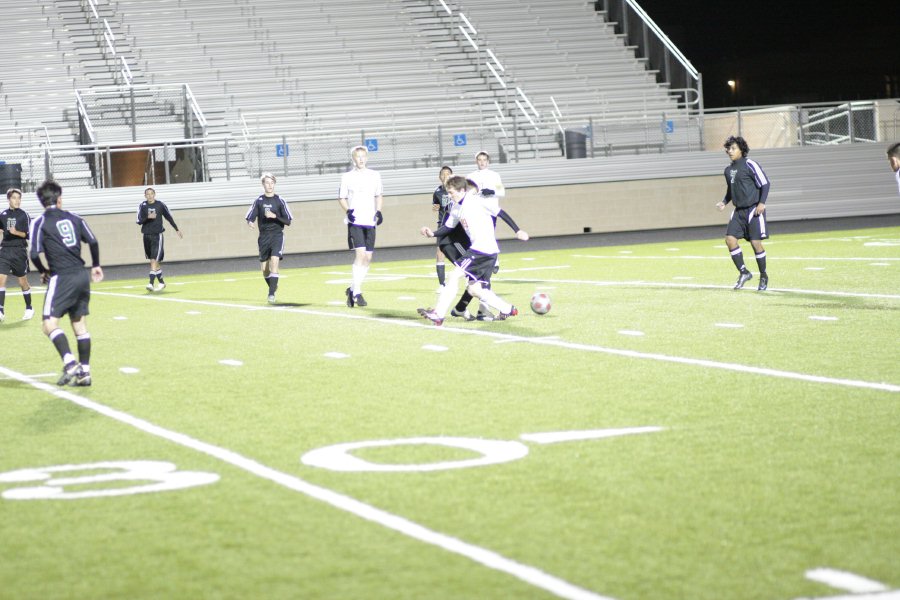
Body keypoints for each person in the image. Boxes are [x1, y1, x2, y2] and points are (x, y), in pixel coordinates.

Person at [417, 175, 528, 326]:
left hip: (481, 250)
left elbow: (500, 212)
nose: (449, 196)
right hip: (486, 252)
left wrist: (518, 230)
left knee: (454, 275)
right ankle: (507, 308)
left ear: (462, 190)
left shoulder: (477, 201)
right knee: (475, 289)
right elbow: (448, 227)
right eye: (448, 193)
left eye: (451, 192)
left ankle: (438, 314)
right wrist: (432, 234)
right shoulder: (456, 207)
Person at [30, 180, 103, 387]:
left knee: (48, 324)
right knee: (79, 325)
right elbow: (93, 241)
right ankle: (85, 373)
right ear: (59, 198)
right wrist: (96, 264)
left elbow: (34, 253)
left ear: (42, 202)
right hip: (81, 275)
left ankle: (71, 363)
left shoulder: (40, 222)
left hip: (61, 277)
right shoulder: (74, 217)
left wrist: (44, 271)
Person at [716, 136, 771, 291]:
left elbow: (765, 183)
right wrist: (724, 202)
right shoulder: (728, 170)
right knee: (730, 240)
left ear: (741, 150)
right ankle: (744, 272)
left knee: (756, 244)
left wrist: (762, 203)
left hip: (754, 210)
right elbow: (731, 190)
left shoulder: (750, 164)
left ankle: (763, 275)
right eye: (728, 148)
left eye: (733, 148)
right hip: (738, 211)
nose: (730, 151)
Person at [339, 145, 383, 308]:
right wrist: (348, 210)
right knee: (360, 255)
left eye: (363, 156)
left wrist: (378, 212)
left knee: (368, 257)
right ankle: (357, 292)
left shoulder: (375, 175)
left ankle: (351, 289)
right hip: (355, 221)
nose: (361, 159)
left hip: (370, 221)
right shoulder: (346, 177)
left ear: (367, 157)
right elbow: (342, 198)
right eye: (358, 156)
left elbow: (378, 195)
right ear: (353, 159)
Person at [246, 172, 293, 304]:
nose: (270, 185)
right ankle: (273, 285)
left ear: (274, 184)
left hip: (277, 235)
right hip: (263, 237)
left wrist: (275, 216)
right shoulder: (259, 201)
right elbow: (251, 215)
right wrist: (250, 222)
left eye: (272, 183)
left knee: (274, 261)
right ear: (263, 185)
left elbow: (288, 221)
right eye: (267, 183)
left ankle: (271, 294)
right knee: (265, 270)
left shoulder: (280, 201)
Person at [136, 187, 183, 292]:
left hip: (157, 235)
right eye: (147, 194)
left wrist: (176, 229)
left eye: (151, 193)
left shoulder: (160, 205)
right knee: (153, 261)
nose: (149, 195)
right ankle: (161, 283)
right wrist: (148, 218)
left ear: (154, 194)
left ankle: (151, 283)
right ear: (145, 196)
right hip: (146, 235)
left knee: (153, 259)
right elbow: (139, 221)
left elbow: (169, 217)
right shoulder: (142, 206)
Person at [0, 188, 34, 321]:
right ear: (9, 199)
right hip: (5, 251)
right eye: (14, 198)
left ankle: (29, 307)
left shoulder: (24, 215)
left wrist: (17, 233)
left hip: (19, 251)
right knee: (1, 279)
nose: (17, 201)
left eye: (19, 198)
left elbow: (29, 235)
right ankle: (1, 311)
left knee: (22, 281)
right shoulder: (2, 214)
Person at [431, 165, 454, 289]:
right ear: (440, 177)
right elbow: (436, 206)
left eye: (448, 174)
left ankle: (470, 278)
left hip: (457, 225)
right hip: (443, 225)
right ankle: (442, 284)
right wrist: (436, 207)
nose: (445, 176)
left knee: (463, 251)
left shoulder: (457, 189)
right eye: (443, 174)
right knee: (440, 252)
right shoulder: (437, 191)